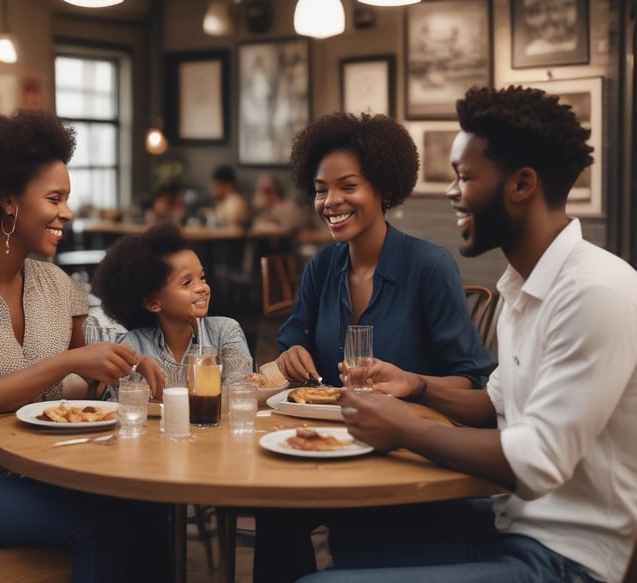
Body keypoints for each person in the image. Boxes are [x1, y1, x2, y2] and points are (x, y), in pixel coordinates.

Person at [296, 86, 637, 583]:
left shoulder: (596, 292)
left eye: (464, 177)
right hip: (506, 520)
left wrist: (404, 427)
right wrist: (414, 385)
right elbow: (491, 404)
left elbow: (537, 460)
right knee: (355, 534)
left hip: (565, 558)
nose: (452, 192)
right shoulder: (524, 288)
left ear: (521, 185)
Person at [0, 110, 169, 583]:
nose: (67, 211)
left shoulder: (58, 285)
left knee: (146, 508)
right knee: (101, 523)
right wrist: (68, 361)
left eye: (67, 198)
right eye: (54, 198)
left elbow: (89, 382)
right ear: (7, 200)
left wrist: (126, 365)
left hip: (38, 470)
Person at [253, 112, 495, 583]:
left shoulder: (429, 266)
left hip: (404, 456)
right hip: (326, 448)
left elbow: (472, 378)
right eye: (321, 189)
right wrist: (291, 353)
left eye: (347, 186)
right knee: (273, 506)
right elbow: (294, 333)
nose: (330, 202)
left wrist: (412, 387)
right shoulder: (323, 267)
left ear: (383, 187)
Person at [92, 222, 253, 386]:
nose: (202, 287)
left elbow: (241, 394)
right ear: (153, 303)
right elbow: (123, 403)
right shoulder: (134, 344)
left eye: (202, 277)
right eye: (187, 282)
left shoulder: (226, 333)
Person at [248, 173, 305, 237]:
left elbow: (287, 231)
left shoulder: (287, 207)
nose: (258, 196)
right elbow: (254, 229)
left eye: (260, 191)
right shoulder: (265, 210)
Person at [208, 164, 249, 229]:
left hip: (233, 238)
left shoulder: (235, 200)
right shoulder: (223, 201)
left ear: (228, 185)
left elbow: (232, 220)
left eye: (215, 185)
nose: (211, 189)